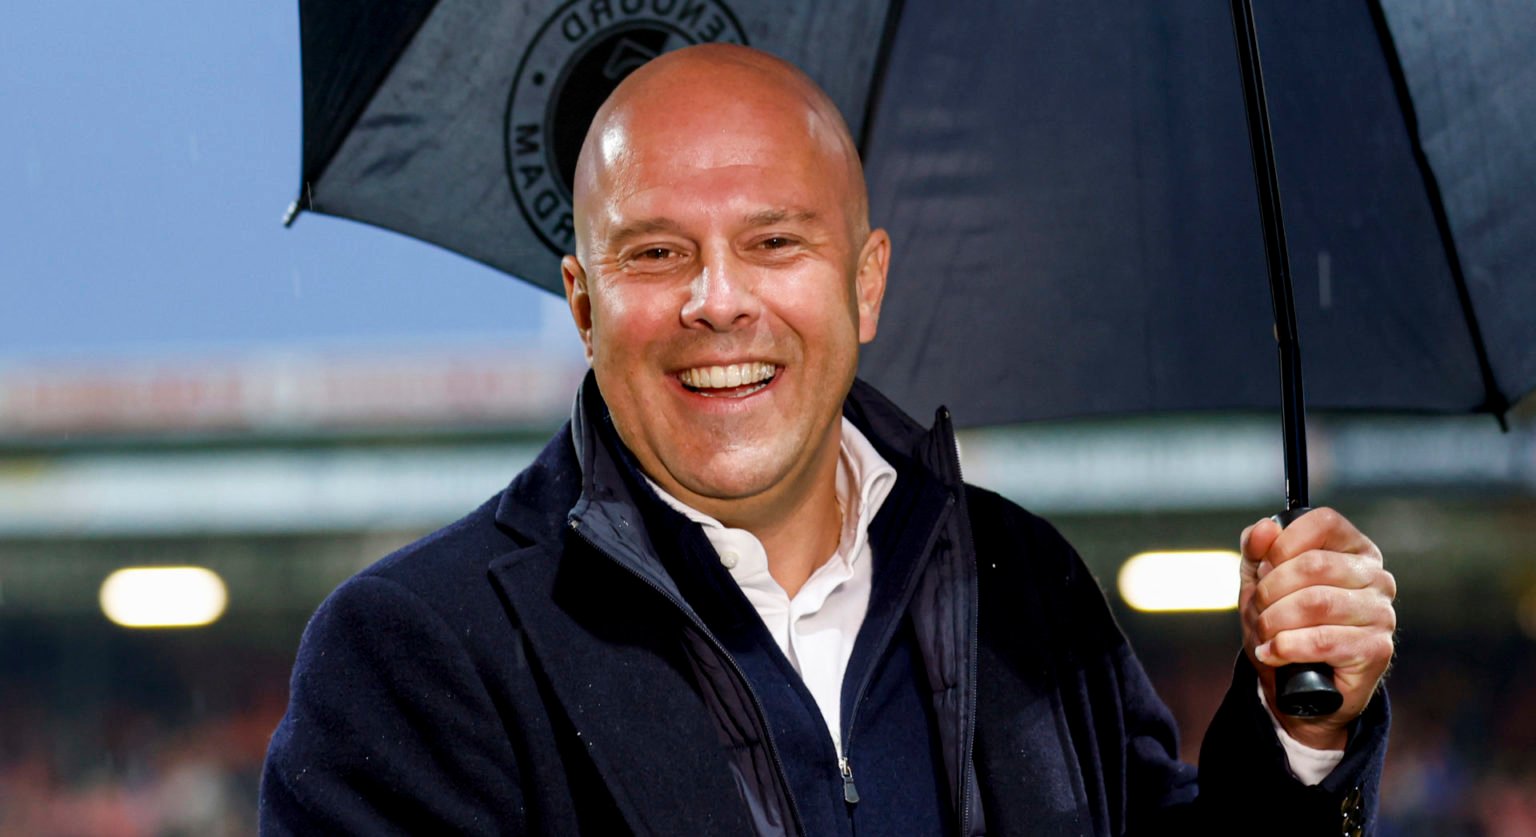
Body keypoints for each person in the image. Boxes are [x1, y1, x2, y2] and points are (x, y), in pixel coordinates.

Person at [260, 44, 1395, 836]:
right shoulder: (410, 653)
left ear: (866, 284)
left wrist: (1307, 732)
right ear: (583, 300)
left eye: (773, 243)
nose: (717, 301)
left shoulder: (1026, 584)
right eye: (655, 252)